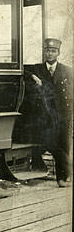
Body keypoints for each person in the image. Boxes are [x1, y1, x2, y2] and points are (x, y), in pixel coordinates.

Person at [27, 38, 73, 187]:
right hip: (45, 116)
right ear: (44, 52)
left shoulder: (67, 71)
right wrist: (33, 77)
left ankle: (63, 178)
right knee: (51, 144)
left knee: (64, 145)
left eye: (53, 51)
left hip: (63, 115)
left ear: (58, 53)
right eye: (47, 50)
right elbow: (22, 71)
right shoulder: (37, 69)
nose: (50, 53)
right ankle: (54, 173)